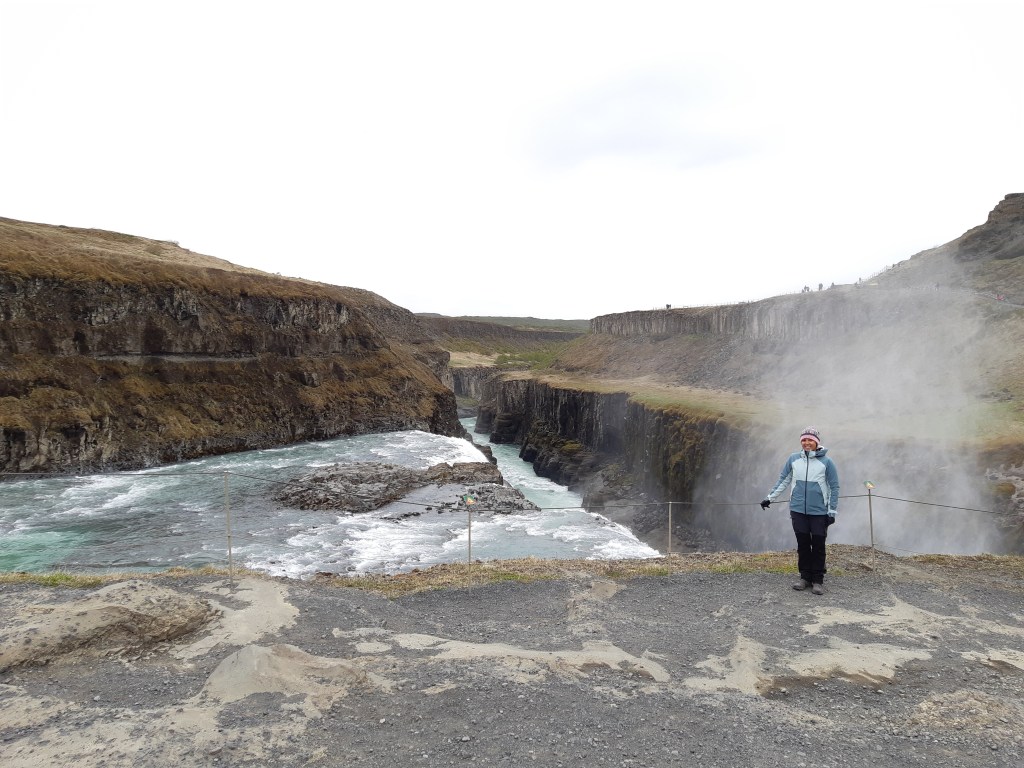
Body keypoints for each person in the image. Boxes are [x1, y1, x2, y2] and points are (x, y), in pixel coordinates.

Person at [760, 427, 839, 595]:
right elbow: (784, 480)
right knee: (803, 545)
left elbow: (834, 487)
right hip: (797, 510)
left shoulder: (827, 462)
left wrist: (831, 511)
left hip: (819, 512)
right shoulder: (793, 459)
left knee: (818, 545)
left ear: (816, 442)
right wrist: (769, 498)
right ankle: (804, 577)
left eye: (810, 440)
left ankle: (817, 580)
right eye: (804, 440)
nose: (807, 442)